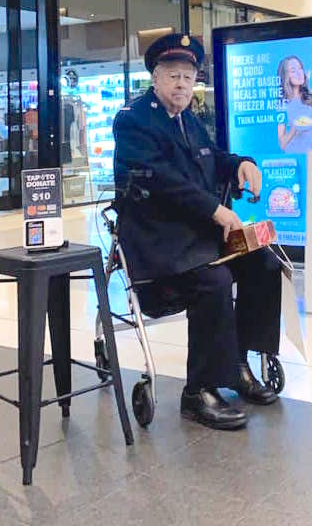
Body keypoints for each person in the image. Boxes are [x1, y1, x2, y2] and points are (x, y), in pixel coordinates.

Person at [113, 33, 282, 431]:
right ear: (155, 78)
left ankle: (239, 364)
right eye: (173, 75)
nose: (182, 84)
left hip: (198, 237)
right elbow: (162, 179)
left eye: (189, 77)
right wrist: (216, 209)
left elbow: (212, 159)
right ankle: (198, 391)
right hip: (160, 244)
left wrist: (241, 163)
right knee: (215, 280)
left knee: (264, 264)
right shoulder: (134, 121)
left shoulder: (189, 120)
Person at [277, 56, 312, 153]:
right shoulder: (282, 105)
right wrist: (294, 128)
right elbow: (282, 144)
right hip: (295, 160)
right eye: (293, 71)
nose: (299, 73)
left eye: (300, 68)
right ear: (286, 77)